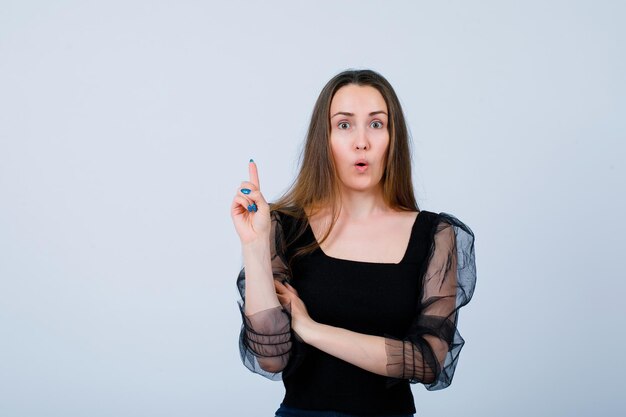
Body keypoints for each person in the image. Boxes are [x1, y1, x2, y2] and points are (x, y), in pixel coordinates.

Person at [230, 69, 477, 417]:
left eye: (376, 124)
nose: (361, 141)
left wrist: (312, 330)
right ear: (325, 138)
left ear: (393, 137)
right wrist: (255, 246)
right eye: (344, 125)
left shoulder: (435, 235)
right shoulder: (285, 228)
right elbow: (271, 358)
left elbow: (427, 360)